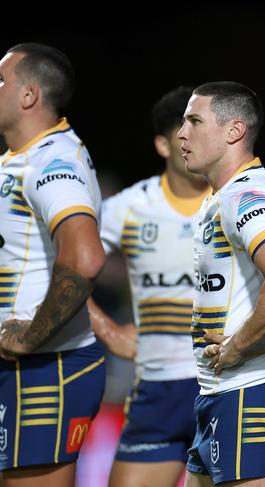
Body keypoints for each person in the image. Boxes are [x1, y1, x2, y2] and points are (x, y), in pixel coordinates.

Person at [178, 81, 265, 487]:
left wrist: (237, 346)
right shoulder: (225, 195)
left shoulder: (247, 193)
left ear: (234, 131)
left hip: (252, 389)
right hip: (222, 391)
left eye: (194, 121)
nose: (182, 134)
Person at [88, 86, 211, 487]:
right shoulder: (129, 207)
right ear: (163, 144)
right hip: (156, 391)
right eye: (184, 133)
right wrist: (108, 331)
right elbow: (61, 270)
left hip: (226, 388)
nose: (196, 144)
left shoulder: (242, 202)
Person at [0, 43, 106, 486]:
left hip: (46, 368)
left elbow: (84, 258)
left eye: (0, 80)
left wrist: (30, 338)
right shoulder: (22, 158)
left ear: (28, 96)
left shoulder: (53, 160)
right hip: (23, 368)